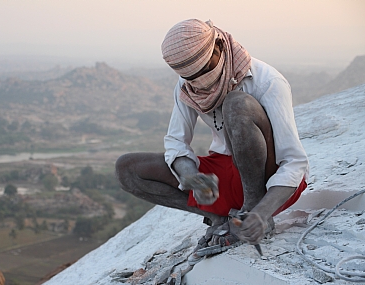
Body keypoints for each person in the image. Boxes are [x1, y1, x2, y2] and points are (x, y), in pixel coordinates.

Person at [115, 19, 308, 252]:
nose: (202, 81)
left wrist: (260, 212)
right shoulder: (189, 85)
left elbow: (294, 163)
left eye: (206, 69)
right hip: (224, 179)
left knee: (236, 104)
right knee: (127, 168)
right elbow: (176, 141)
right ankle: (220, 218)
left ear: (218, 45)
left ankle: (251, 215)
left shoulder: (267, 81)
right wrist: (195, 179)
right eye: (193, 77)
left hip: (269, 184)